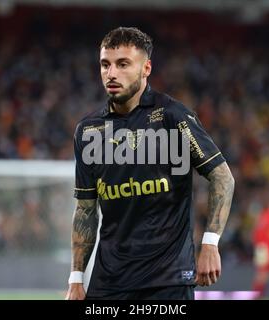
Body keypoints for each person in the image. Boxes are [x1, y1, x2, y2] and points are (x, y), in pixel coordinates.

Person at [66, 27, 235, 300]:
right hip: (108, 283)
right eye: (105, 64)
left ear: (146, 68)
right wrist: (76, 278)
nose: (111, 74)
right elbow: (86, 209)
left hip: (166, 281)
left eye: (123, 64)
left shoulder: (172, 117)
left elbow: (222, 176)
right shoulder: (88, 131)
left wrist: (211, 243)